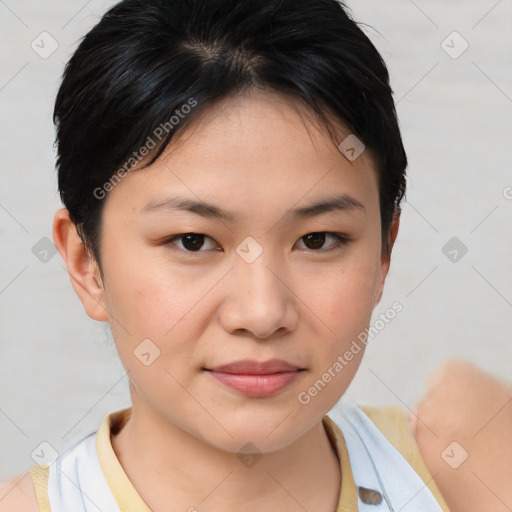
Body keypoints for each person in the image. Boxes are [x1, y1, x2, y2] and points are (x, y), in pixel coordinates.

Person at [1, 0, 511, 510]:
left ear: (384, 253)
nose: (262, 313)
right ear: (84, 261)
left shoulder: (471, 474)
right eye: (193, 241)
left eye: (317, 240)